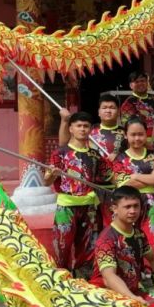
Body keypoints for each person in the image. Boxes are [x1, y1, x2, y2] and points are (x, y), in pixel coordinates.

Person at [89, 186, 154, 307]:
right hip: (106, 293)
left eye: (136, 206)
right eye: (127, 207)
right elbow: (109, 277)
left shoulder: (138, 233)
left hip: (133, 293)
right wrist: (131, 297)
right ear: (114, 208)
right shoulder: (107, 239)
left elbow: (153, 258)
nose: (133, 211)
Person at [44, 112, 112, 276]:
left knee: (89, 246)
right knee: (62, 245)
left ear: (90, 130)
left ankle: (85, 280)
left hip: (90, 207)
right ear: (71, 129)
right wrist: (53, 174)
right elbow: (46, 181)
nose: (82, 129)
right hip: (66, 207)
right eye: (78, 126)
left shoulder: (96, 155)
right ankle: (63, 279)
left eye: (86, 126)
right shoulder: (60, 154)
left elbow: (108, 178)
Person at [111, 117, 154, 284]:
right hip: (127, 204)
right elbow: (124, 183)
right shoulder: (120, 158)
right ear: (126, 136)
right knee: (129, 244)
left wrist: (136, 176)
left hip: (151, 205)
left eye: (141, 134)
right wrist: (150, 177)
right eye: (133, 134)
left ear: (146, 135)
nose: (137, 138)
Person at [59, 92, 124, 226]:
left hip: (114, 186)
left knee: (113, 225)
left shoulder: (125, 133)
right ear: (99, 112)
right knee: (92, 229)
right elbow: (64, 144)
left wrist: (119, 156)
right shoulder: (89, 129)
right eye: (104, 107)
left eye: (112, 107)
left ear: (118, 111)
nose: (108, 110)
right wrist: (65, 121)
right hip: (90, 188)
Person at [119, 71, 154, 142]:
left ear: (147, 83)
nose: (140, 83)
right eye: (136, 82)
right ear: (131, 85)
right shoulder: (128, 103)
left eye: (142, 81)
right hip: (140, 143)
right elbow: (127, 127)